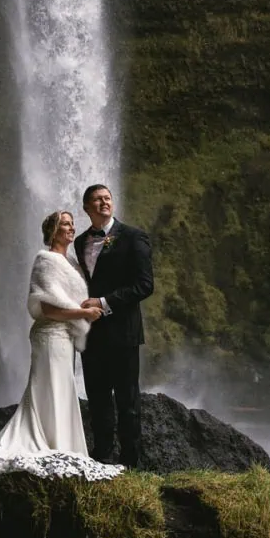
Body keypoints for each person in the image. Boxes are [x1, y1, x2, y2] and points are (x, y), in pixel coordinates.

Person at [0, 210, 122, 480]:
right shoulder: (45, 260)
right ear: (53, 230)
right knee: (50, 387)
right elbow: (47, 307)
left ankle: (62, 445)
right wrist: (83, 315)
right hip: (50, 334)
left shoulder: (73, 264)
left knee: (61, 387)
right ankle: (52, 444)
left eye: (71, 223)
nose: (71, 227)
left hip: (65, 337)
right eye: (65, 224)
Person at [74, 184, 155, 469]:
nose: (103, 202)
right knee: (97, 397)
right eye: (96, 200)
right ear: (86, 208)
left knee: (127, 400)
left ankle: (131, 462)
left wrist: (104, 302)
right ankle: (102, 456)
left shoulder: (133, 237)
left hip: (123, 333)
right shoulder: (80, 241)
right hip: (91, 334)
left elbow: (145, 285)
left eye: (107, 198)